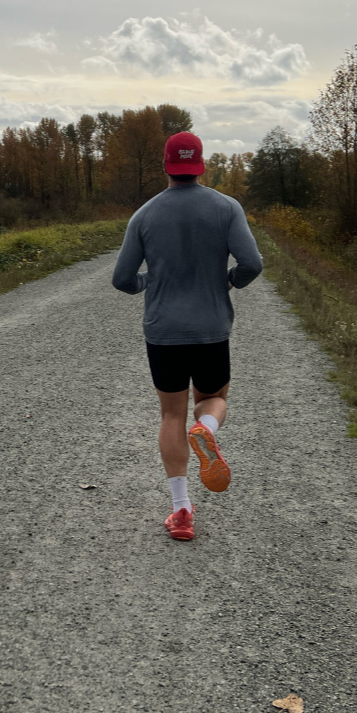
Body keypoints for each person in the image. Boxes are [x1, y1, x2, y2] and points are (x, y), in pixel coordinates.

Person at [111, 131, 262, 541]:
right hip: (211, 326)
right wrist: (229, 279)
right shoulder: (226, 208)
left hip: (163, 330)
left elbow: (122, 279)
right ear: (201, 165)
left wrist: (148, 283)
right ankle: (208, 430)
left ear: (166, 166)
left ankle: (181, 513)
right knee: (212, 400)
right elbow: (252, 263)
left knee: (171, 415)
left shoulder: (144, 215)